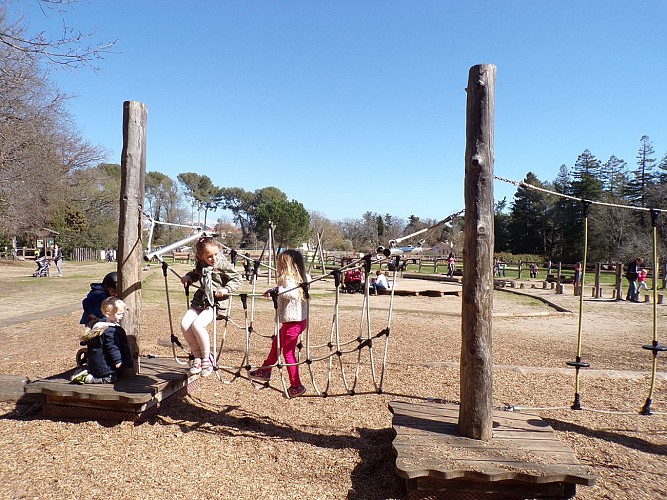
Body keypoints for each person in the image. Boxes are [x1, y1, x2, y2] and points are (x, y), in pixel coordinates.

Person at [249, 249, 309, 398]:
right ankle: (266, 370)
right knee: (276, 344)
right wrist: (276, 289)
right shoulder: (303, 276)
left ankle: (296, 385)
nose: (277, 265)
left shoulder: (289, 278)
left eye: (279, 262)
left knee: (288, 353)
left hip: (293, 322)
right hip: (296, 321)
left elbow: (293, 294)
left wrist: (278, 289)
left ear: (285, 264)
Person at [180, 236, 242, 377]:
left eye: (216, 254)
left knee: (197, 325)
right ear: (201, 256)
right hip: (200, 301)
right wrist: (188, 277)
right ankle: (197, 357)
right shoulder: (201, 264)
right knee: (184, 324)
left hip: (215, 303)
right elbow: (195, 274)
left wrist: (226, 290)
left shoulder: (222, 264)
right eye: (209, 256)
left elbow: (237, 278)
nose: (214, 258)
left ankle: (207, 357)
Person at [71, 296, 132, 384]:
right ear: (108, 314)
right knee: (109, 378)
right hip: (104, 365)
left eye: (122, 314)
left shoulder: (99, 327)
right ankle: (87, 378)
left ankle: (88, 373)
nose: (122, 316)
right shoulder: (110, 331)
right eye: (119, 314)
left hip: (97, 362)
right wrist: (118, 360)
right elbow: (112, 347)